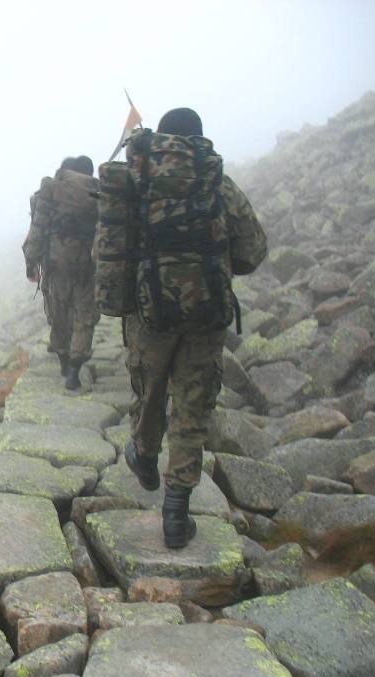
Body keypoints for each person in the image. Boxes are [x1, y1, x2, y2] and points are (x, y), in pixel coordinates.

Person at [120, 107, 267, 548]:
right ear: (200, 141)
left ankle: (143, 455)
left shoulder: (140, 183)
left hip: (150, 315)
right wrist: (214, 268)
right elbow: (254, 250)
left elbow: (110, 249)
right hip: (207, 313)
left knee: (149, 390)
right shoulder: (217, 183)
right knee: (193, 404)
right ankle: (176, 515)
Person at [22, 155, 100, 390]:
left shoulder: (52, 190)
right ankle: (75, 370)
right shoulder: (97, 192)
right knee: (84, 316)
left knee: (59, 312)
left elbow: (38, 229)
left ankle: (64, 359)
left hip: (56, 264)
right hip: (87, 264)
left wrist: (31, 262)